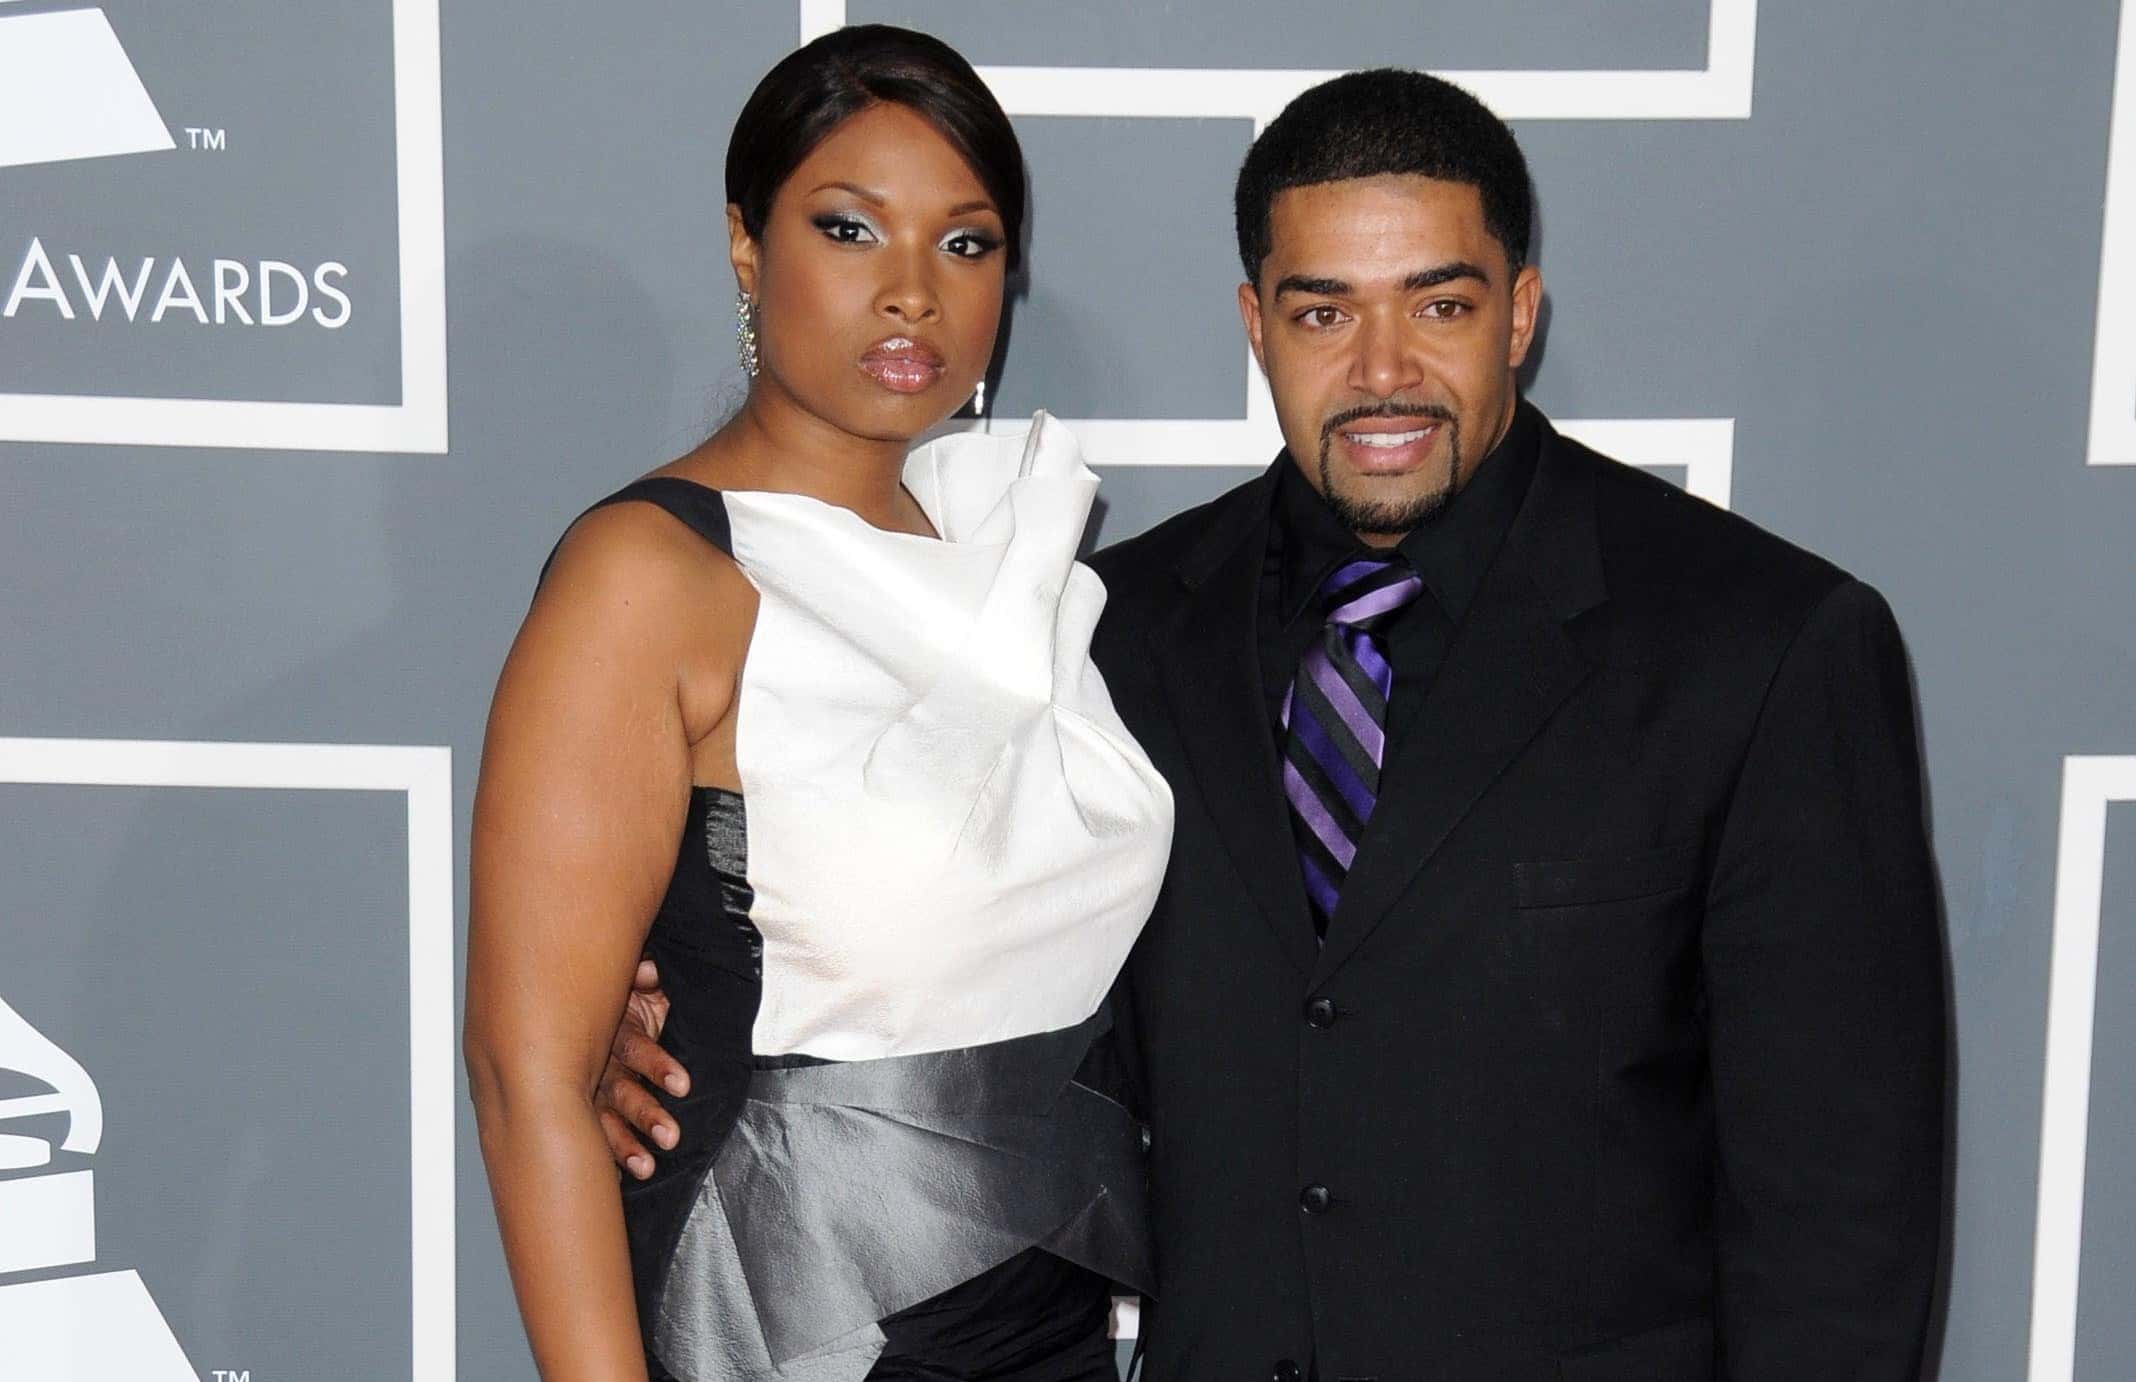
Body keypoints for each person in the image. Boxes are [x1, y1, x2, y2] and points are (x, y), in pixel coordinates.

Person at [600, 66, 1947, 1382]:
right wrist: (684, 1033)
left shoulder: (1759, 646)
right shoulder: (1100, 631)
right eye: (1322, 313)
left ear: (1521, 314)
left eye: (1440, 304)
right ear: (1255, 323)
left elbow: (1842, 1212)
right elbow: (998, 995)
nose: (1383, 371)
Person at [464, 25, 1173, 1382]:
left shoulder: (1013, 553)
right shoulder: (654, 575)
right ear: (747, 246)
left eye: (965, 244)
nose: (912, 293)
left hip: (1056, 1330)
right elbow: (526, 1079)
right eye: (851, 229)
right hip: (789, 1321)